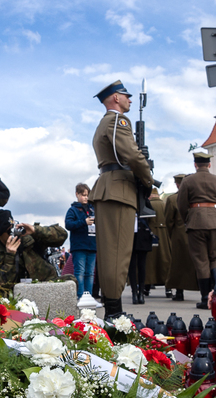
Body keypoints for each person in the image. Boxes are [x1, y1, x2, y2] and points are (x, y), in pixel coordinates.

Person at [89, 80, 153, 319]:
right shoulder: (118, 121)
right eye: (126, 95)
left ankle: (113, 310)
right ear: (116, 97)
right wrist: (147, 177)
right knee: (118, 253)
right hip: (118, 189)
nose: (130, 99)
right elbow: (132, 156)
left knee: (111, 252)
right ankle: (115, 316)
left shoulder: (105, 123)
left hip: (110, 187)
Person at [177, 152, 216, 308]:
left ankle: (205, 298)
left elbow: (181, 205)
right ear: (209, 165)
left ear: (195, 164)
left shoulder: (188, 181)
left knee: (201, 261)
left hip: (196, 223)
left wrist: (187, 220)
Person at [0, 216, 69, 288]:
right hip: (18, 290)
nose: (14, 233)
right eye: (9, 231)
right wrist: (10, 256)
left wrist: (35, 230)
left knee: (70, 280)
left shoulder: (28, 237)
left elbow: (62, 235)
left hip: (44, 281)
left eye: (13, 226)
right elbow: (1, 284)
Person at [64, 183, 101, 308]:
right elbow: (68, 224)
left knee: (90, 273)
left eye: (87, 195)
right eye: (83, 195)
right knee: (79, 272)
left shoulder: (92, 209)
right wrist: (83, 222)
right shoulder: (72, 210)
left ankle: (89, 297)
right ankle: (80, 297)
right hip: (79, 246)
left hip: (92, 245)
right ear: (77, 195)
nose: (86, 198)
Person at [164, 174, 199, 300]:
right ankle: (204, 293)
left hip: (179, 235)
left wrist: (171, 234)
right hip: (196, 233)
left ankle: (179, 292)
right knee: (198, 262)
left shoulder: (173, 199)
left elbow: (168, 220)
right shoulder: (196, 197)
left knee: (178, 263)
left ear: (177, 184)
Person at [145, 188, 172, 297]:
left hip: (151, 236)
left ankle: (146, 288)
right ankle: (168, 289)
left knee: (149, 263)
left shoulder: (147, 205)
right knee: (166, 261)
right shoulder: (165, 204)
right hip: (164, 237)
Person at [128, 214, 153, 304]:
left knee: (142, 266)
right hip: (131, 236)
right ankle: (134, 292)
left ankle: (141, 293)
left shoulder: (144, 201)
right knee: (132, 266)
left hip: (142, 235)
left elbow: (152, 215)